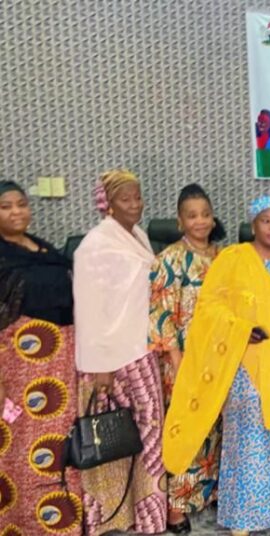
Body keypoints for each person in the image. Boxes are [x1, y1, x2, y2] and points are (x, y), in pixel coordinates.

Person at [162, 196, 270, 536]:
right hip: (241, 360)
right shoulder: (233, 258)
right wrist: (241, 330)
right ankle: (242, 514)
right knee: (244, 435)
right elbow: (211, 308)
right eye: (265, 220)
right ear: (253, 224)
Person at [74, 169, 167, 534]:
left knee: (146, 438)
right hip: (111, 358)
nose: (134, 205)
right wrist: (101, 367)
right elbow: (89, 307)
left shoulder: (138, 235)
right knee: (111, 439)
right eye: (125, 199)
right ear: (108, 204)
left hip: (141, 349)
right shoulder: (96, 245)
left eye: (137, 197)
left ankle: (146, 517)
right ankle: (106, 518)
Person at [0, 181, 83, 535]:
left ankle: (65, 521)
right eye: (7, 206)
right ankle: (25, 524)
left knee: (62, 442)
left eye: (21, 204)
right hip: (18, 367)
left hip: (60, 365)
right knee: (22, 443)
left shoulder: (43, 248)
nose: (17, 211)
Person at [149, 184, 226, 533]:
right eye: (192, 216)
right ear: (180, 221)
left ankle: (208, 493)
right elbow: (162, 315)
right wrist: (179, 365)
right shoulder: (169, 260)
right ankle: (177, 507)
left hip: (221, 360)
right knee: (187, 431)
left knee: (217, 430)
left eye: (206, 214)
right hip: (184, 362)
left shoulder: (224, 257)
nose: (201, 222)